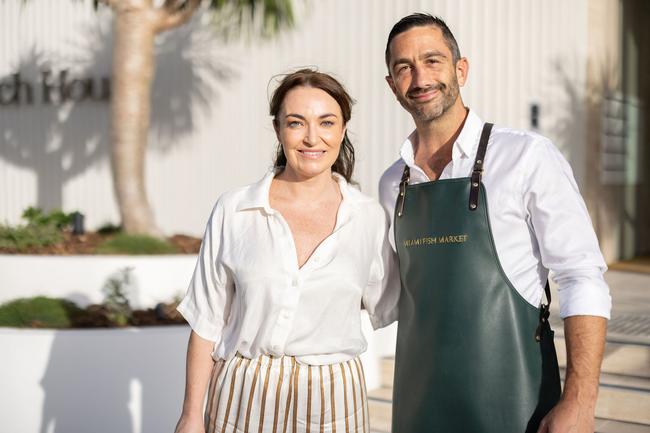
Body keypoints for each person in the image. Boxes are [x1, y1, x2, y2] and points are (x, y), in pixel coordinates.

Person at [378, 13, 612, 433]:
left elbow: (582, 276)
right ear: (392, 85)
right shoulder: (392, 183)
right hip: (418, 410)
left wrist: (580, 401)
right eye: (404, 68)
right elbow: (384, 299)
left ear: (460, 69)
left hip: (515, 405)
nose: (419, 78)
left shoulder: (527, 157)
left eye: (432, 60)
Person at [174, 69, 400, 433]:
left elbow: (395, 307)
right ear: (278, 130)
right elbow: (206, 323)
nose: (313, 137)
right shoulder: (235, 210)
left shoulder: (369, 219)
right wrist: (191, 415)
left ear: (343, 130)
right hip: (243, 393)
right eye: (297, 123)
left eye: (327, 122)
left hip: (334, 399)